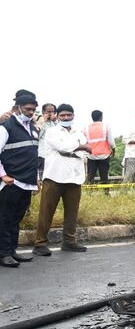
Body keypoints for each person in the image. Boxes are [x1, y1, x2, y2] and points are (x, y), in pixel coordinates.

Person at [34, 104, 90, 255]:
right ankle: (40, 244)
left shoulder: (79, 132)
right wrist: (80, 147)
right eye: (63, 115)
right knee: (46, 212)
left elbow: (86, 152)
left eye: (69, 115)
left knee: (72, 212)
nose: (66, 118)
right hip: (54, 177)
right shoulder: (51, 132)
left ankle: (69, 242)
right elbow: (63, 147)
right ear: (57, 116)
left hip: (74, 177)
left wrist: (75, 149)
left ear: (73, 116)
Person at [0, 92, 40, 267]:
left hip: (27, 182)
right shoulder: (6, 127)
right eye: (28, 109)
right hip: (11, 182)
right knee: (5, 218)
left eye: (33, 110)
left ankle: (12, 250)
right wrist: (3, 175)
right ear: (17, 108)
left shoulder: (33, 128)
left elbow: (33, 156)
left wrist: (36, 179)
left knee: (16, 218)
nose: (31, 113)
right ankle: (3, 253)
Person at [82, 110, 113, 185]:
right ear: (101, 117)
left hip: (91, 155)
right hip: (104, 155)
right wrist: (113, 150)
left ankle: (88, 190)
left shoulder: (86, 128)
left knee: (90, 175)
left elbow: (84, 142)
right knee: (104, 175)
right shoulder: (106, 126)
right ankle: (105, 191)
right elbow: (111, 142)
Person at [36, 103, 58, 181]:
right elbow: (37, 136)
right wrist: (43, 122)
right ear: (43, 112)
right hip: (42, 153)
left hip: (53, 154)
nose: (50, 113)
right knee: (40, 174)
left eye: (52, 111)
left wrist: (55, 121)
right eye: (48, 111)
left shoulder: (56, 122)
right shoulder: (39, 121)